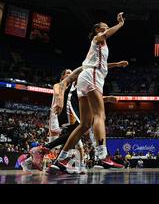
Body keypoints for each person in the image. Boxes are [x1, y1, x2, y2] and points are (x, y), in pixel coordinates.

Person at [51, 12, 126, 172]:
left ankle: (61, 159)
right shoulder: (98, 38)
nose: (106, 29)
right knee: (100, 116)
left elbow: (102, 64)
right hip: (92, 76)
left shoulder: (99, 47)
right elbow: (105, 38)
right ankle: (103, 156)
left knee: (85, 124)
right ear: (98, 30)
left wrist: (117, 65)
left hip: (87, 77)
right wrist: (120, 24)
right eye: (103, 27)